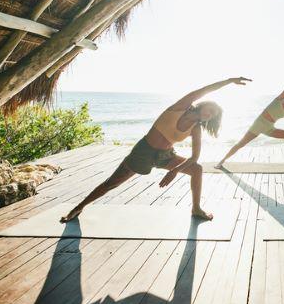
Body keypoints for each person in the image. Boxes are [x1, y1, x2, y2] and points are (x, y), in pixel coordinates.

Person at [60, 77, 251, 223]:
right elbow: (202, 90)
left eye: (215, 114)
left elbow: (195, 157)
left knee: (197, 169)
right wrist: (228, 81)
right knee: (112, 183)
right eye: (211, 108)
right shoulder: (180, 107)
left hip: (165, 156)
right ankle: (79, 207)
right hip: (144, 151)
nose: (211, 112)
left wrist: (175, 171)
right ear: (203, 105)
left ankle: (196, 209)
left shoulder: (196, 128)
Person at [215, 73, 284, 170]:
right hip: (258, 124)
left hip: (269, 128)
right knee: (241, 144)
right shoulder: (280, 98)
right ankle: (221, 161)